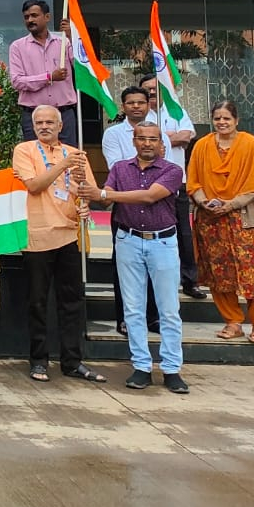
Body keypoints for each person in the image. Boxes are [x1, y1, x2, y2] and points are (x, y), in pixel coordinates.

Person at [78, 122, 190, 394]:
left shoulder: (172, 170)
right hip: (128, 240)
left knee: (168, 309)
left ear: (161, 143)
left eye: (153, 139)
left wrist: (104, 194)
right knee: (133, 308)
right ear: (134, 141)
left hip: (162, 242)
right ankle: (141, 366)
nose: (147, 143)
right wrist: (85, 182)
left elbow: (149, 197)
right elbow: (105, 200)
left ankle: (171, 368)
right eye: (142, 138)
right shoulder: (119, 169)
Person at [12, 105, 104, 384]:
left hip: (70, 234)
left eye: (50, 122)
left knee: (72, 301)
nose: (44, 126)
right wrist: (63, 165)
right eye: (39, 122)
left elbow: (90, 191)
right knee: (38, 301)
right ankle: (39, 360)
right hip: (38, 235)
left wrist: (85, 203)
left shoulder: (77, 154)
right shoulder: (25, 150)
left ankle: (72, 361)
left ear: (61, 126)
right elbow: (34, 185)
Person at [188, 100, 254, 345]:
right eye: (217, 118)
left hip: (246, 219)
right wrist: (204, 201)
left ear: (236, 120)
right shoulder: (201, 146)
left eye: (227, 118)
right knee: (219, 273)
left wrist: (231, 204)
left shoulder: (252, 145)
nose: (222, 122)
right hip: (211, 220)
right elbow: (193, 182)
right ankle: (232, 322)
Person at [103, 86, 178, 332]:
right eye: (130, 102)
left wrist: (115, 191)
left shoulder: (161, 135)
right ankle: (125, 319)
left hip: (157, 214)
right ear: (123, 106)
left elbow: (165, 166)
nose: (136, 106)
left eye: (141, 102)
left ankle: (153, 318)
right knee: (124, 272)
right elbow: (116, 169)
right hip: (125, 215)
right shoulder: (113, 134)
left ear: (148, 105)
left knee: (158, 273)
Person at [139, 72, 203, 298]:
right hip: (146, 185)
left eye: (155, 88)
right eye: (147, 89)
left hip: (176, 183)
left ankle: (190, 281)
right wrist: (168, 137)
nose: (152, 92)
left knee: (183, 232)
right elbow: (141, 143)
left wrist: (157, 138)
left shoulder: (176, 111)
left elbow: (186, 137)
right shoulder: (139, 116)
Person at [7, 0, 78, 144]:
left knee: (67, 155)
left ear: (47, 17)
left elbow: (81, 66)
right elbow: (17, 81)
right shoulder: (17, 47)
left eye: (34, 15)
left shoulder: (64, 42)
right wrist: (49, 77)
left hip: (63, 114)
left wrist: (72, 38)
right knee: (36, 156)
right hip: (34, 116)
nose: (30, 20)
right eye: (26, 17)